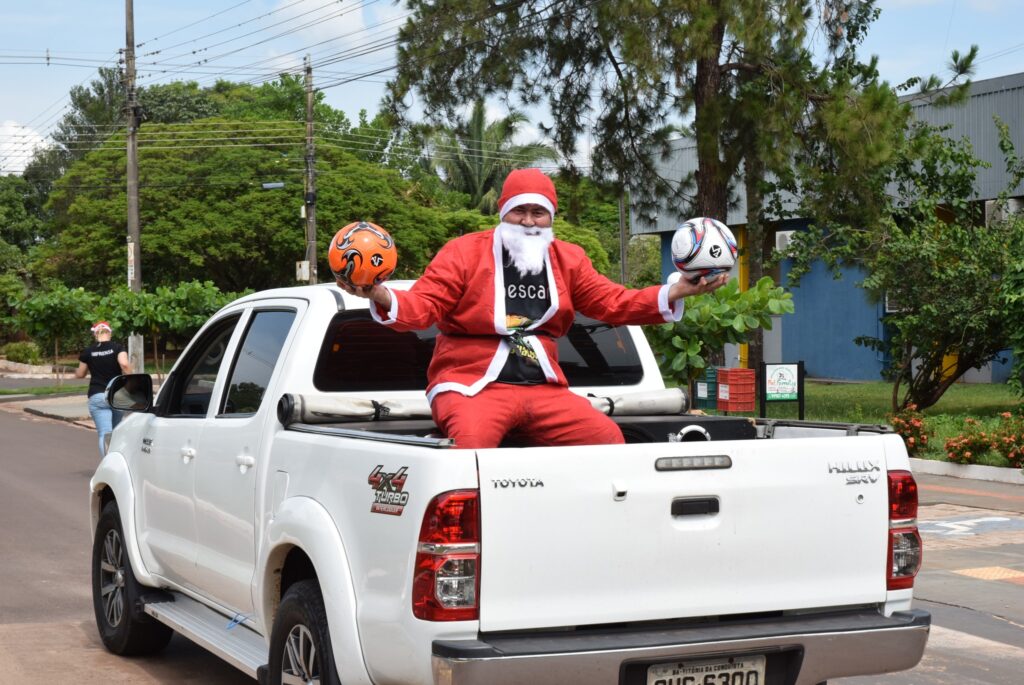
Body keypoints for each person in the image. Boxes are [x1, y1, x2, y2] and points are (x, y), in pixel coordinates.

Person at [337, 168, 728, 448]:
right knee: (470, 446)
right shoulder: (463, 252)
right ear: (503, 212)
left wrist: (675, 292)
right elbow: (424, 305)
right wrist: (379, 295)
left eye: (538, 212)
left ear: (550, 217)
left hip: (544, 388)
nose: (528, 221)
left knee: (606, 439)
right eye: (519, 211)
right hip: (472, 385)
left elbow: (612, 302)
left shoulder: (568, 258)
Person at [75, 321, 132, 457]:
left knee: (104, 433)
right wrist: (132, 379)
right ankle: (116, 464)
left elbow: (81, 373)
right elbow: (124, 364)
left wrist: (75, 373)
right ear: (109, 333)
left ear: (95, 334)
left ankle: (107, 465)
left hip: (97, 395)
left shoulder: (88, 351)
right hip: (117, 395)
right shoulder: (118, 347)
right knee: (115, 433)